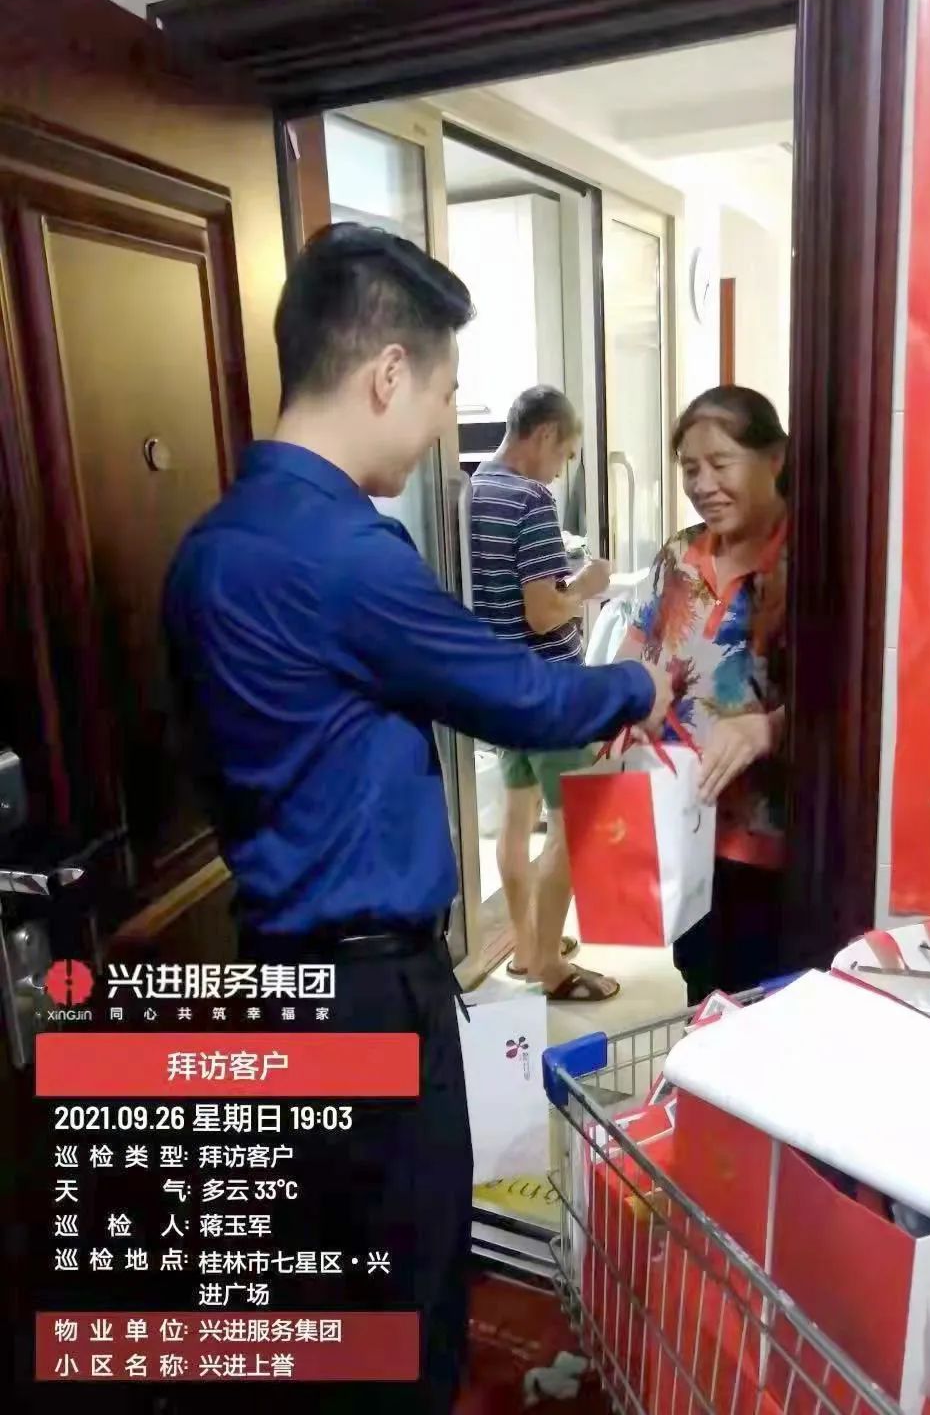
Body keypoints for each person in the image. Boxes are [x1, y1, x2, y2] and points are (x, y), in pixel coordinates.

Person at [163, 224, 672, 1414]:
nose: (447, 426)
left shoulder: (207, 550)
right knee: (406, 1287)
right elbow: (521, 694)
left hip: (269, 969)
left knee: (316, 1288)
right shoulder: (346, 554)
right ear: (389, 372)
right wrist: (640, 682)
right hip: (366, 987)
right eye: (446, 395)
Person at [619, 385, 789, 1005]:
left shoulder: (815, 560)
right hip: (682, 827)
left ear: (774, 459)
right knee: (700, 989)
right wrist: (624, 702)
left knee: (764, 1004)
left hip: (769, 845)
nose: (703, 484)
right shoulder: (681, 554)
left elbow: (853, 701)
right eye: (691, 468)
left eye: (721, 463)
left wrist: (768, 727)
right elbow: (640, 645)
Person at [470, 386, 618, 1002]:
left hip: (502, 687)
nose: (560, 470)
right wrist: (588, 584)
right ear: (546, 434)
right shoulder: (531, 499)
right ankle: (553, 970)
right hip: (549, 691)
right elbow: (543, 611)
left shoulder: (475, 487)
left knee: (516, 816)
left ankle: (529, 949)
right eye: (565, 454)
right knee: (573, 827)